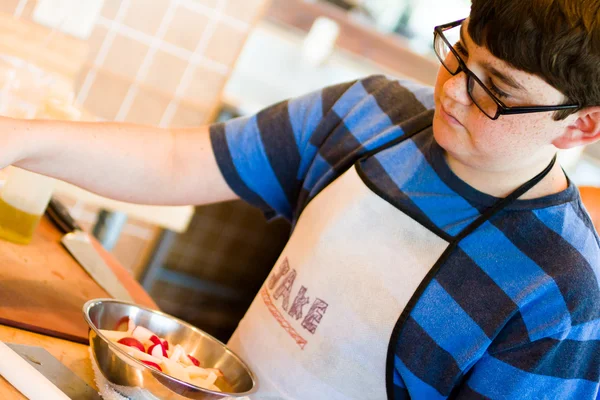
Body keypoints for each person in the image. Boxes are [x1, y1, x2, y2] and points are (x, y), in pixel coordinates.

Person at [2, 0, 599, 398]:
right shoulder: (369, 112)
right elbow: (177, 162)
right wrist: (21, 138)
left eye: (496, 91)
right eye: (460, 54)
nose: (454, 93)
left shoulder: (560, 290)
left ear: (580, 127)